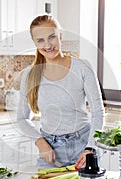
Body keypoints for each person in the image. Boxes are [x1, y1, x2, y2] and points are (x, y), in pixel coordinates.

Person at [17, 15, 105, 169]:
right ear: (35, 43)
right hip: (50, 149)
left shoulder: (82, 67)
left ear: (60, 36)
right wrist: (40, 142)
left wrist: (91, 148)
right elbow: (22, 118)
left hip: (83, 146)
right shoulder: (30, 75)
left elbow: (98, 112)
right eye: (40, 40)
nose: (48, 45)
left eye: (52, 37)